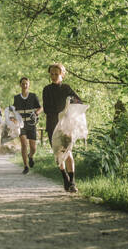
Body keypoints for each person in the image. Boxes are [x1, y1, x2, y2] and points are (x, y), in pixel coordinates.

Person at [42, 63, 82, 193]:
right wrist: (59, 112)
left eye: (56, 74)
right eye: (52, 74)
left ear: (62, 75)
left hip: (66, 125)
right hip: (52, 125)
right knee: (58, 154)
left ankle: (72, 182)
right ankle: (64, 177)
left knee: (68, 152)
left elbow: (79, 101)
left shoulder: (66, 88)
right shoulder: (46, 89)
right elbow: (47, 109)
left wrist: (69, 107)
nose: (53, 76)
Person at [13, 77, 43, 175]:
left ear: (29, 85)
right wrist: (12, 118)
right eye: (23, 83)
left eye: (26, 83)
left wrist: (36, 113)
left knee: (33, 147)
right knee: (24, 144)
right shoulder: (16, 98)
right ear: (20, 85)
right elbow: (14, 111)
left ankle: (30, 156)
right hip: (21, 124)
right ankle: (26, 166)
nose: (24, 85)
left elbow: (40, 108)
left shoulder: (33, 96)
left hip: (31, 123)